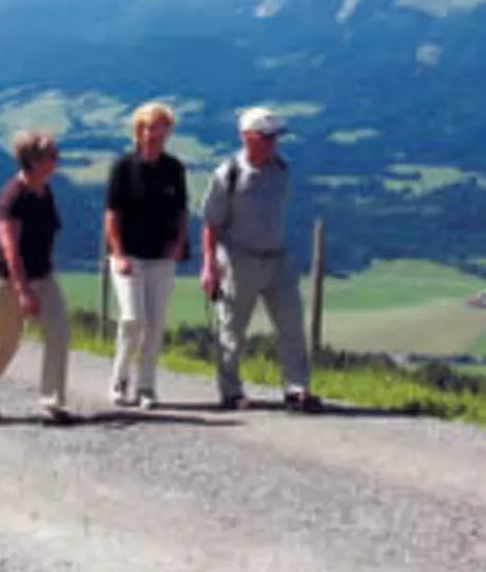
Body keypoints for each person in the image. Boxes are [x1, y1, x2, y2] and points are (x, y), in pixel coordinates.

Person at [200, 106, 322, 412]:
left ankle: (298, 388)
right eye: (267, 137)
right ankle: (231, 391)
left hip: (278, 259)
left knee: (292, 326)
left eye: (276, 137)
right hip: (239, 260)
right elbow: (211, 224)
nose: (273, 143)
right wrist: (209, 266)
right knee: (232, 330)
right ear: (247, 137)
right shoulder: (227, 174)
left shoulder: (281, 169)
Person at [0, 128, 73, 425]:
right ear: (34, 160)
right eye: (53, 155)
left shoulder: (46, 190)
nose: (58, 159)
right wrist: (23, 290)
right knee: (5, 345)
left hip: (43, 277)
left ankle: (53, 402)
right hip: (7, 282)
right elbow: (10, 249)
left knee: (59, 332)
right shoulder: (13, 196)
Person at [103, 100, 189, 409]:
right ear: (139, 130)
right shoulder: (123, 167)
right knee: (132, 319)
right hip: (128, 255)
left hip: (161, 256)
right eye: (152, 127)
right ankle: (119, 377)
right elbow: (112, 214)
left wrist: (179, 243)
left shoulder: (174, 169)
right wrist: (118, 253)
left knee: (155, 324)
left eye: (163, 128)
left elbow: (181, 211)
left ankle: (147, 386)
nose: (157, 134)